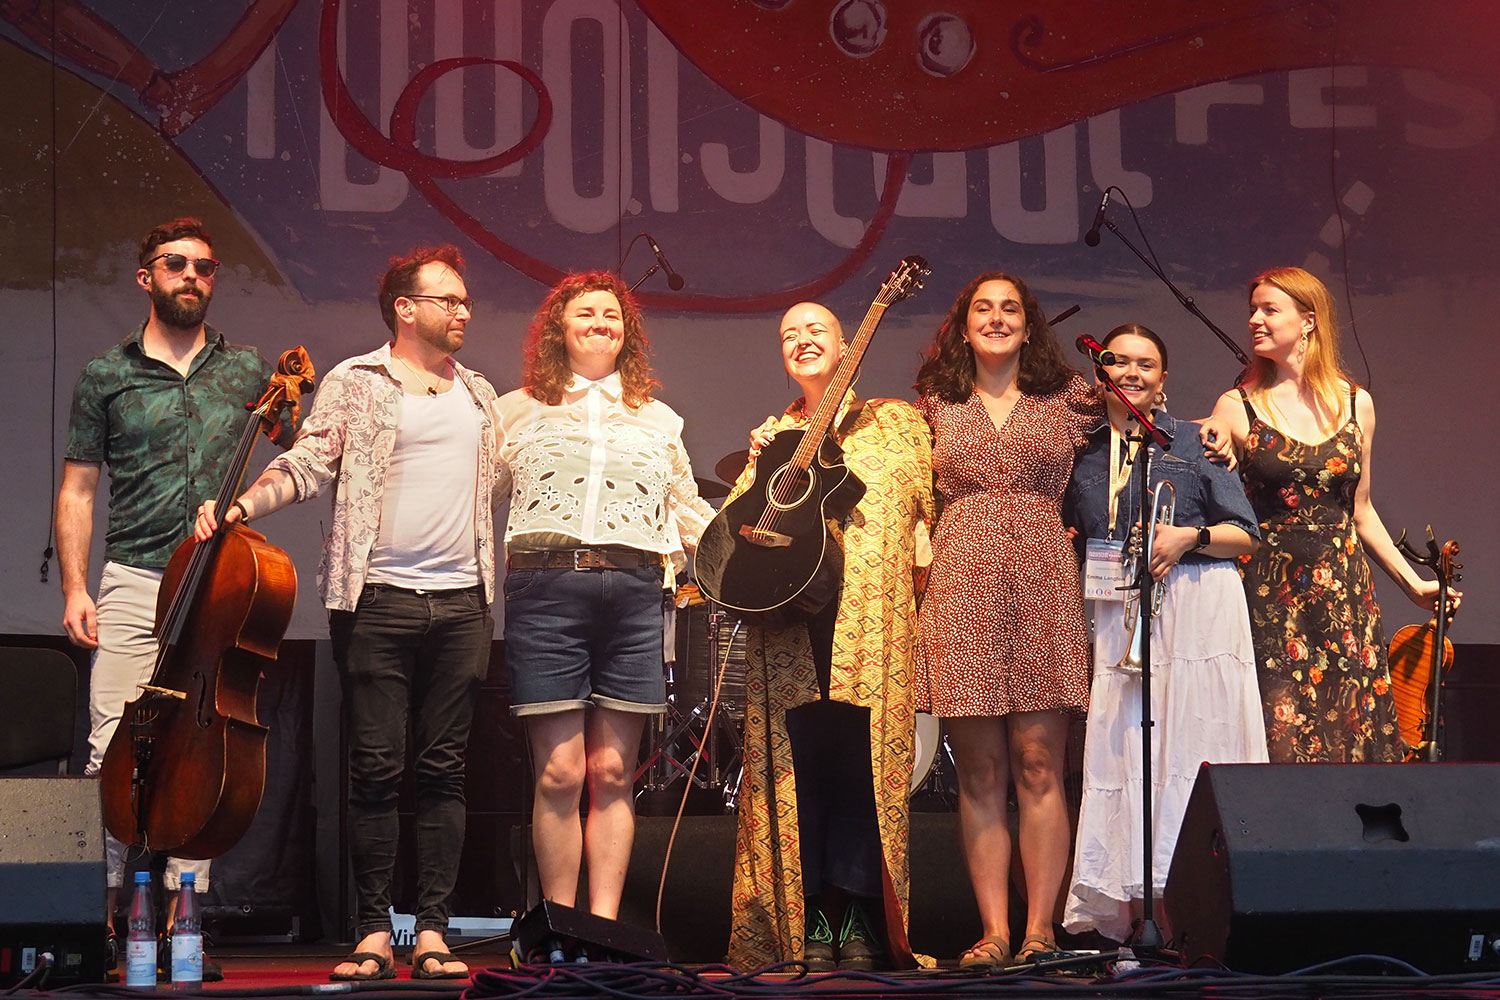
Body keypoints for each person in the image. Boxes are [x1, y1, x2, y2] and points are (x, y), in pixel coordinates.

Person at [196, 244, 502, 981]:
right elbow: (308, 462)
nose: (463, 311)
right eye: (448, 300)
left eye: (465, 302)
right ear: (405, 308)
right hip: (376, 600)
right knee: (374, 768)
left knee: (445, 772)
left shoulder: (483, 393)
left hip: (463, 603)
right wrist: (241, 505)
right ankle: (372, 930)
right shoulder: (356, 382)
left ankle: (430, 930)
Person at [56, 217, 289, 982]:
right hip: (132, 578)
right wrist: (75, 586)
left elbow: (296, 452)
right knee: (110, 747)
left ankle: (185, 922)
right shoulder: (106, 374)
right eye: (176, 264)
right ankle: (123, 914)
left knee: (201, 753)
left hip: (219, 587)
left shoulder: (249, 368)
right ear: (145, 276)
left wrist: (280, 420)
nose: (192, 276)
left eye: (205, 268)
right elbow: (80, 487)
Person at [493, 271, 715, 939]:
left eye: (613, 316)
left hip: (636, 594)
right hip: (545, 589)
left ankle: (602, 932)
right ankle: (561, 930)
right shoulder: (515, 409)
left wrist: (753, 548)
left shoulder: (657, 419)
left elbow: (686, 512)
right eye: (586, 313)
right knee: (560, 772)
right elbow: (474, 500)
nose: (601, 323)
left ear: (628, 333)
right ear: (558, 327)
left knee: (613, 769)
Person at [726, 302, 932, 972]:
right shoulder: (773, 434)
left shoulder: (897, 423)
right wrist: (755, 476)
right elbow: (737, 545)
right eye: (788, 333)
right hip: (793, 632)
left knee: (863, 774)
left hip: (872, 629)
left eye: (816, 330)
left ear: (850, 345)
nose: (802, 339)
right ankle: (812, 920)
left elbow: (924, 529)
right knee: (803, 775)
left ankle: (866, 919)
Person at [911, 272, 1102, 968]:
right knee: (982, 772)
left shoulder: (1070, 399)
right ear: (963, 327)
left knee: (1040, 764)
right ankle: (994, 931)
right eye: (982, 310)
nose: (996, 319)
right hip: (961, 586)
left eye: (1009, 309)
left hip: (1042, 581)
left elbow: (1144, 414)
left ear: (1030, 324)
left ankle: (1041, 932)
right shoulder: (936, 402)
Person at [1060, 324, 1267, 943]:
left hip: (1198, 611)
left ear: (1163, 378)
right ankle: (1134, 918)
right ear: (1101, 374)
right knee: (1129, 756)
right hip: (1120, 613)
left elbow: (1246, 534)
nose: (1130, 373)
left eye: (1145, 364)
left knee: (1190, 752)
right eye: (1118, 362)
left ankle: (1197, 915)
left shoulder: (1197, 440)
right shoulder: (1084, 453)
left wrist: (1189, 537)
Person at [1200, 267, 1451, 763]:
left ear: (1309, 321)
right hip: (1269, 596)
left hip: (1344, 596)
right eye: (1253, 310)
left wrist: (1414, 584)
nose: (1255, 320)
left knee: (1351, 735)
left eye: (1270, 309)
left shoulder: (1357, 404)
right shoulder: (1236, 406)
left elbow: (1360, 510)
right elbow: (1207, 481)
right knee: (1281, 734)